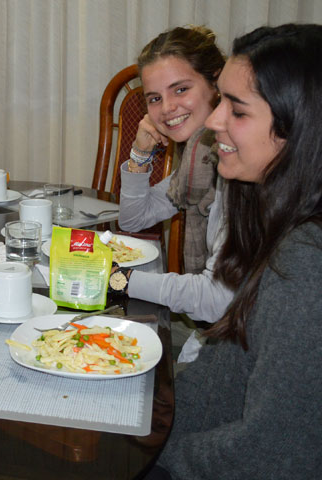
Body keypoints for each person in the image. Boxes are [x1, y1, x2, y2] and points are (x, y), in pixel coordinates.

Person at [154, 24, 322, 479]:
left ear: (297, 128)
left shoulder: (306, 261)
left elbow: (276, 453)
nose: (213, 120)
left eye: (238, 110)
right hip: (183, 430)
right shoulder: (275, 215)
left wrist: (151, 457)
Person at [113, 26, 233, 324]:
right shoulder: (198, 160)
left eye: (181, 89)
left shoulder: (237, 166)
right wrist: (140, 153)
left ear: (216, 84)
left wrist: (119, 279)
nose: (167, 108)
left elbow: (216, 299)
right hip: (210, 330)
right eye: (154, 98)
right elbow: (134, 218)